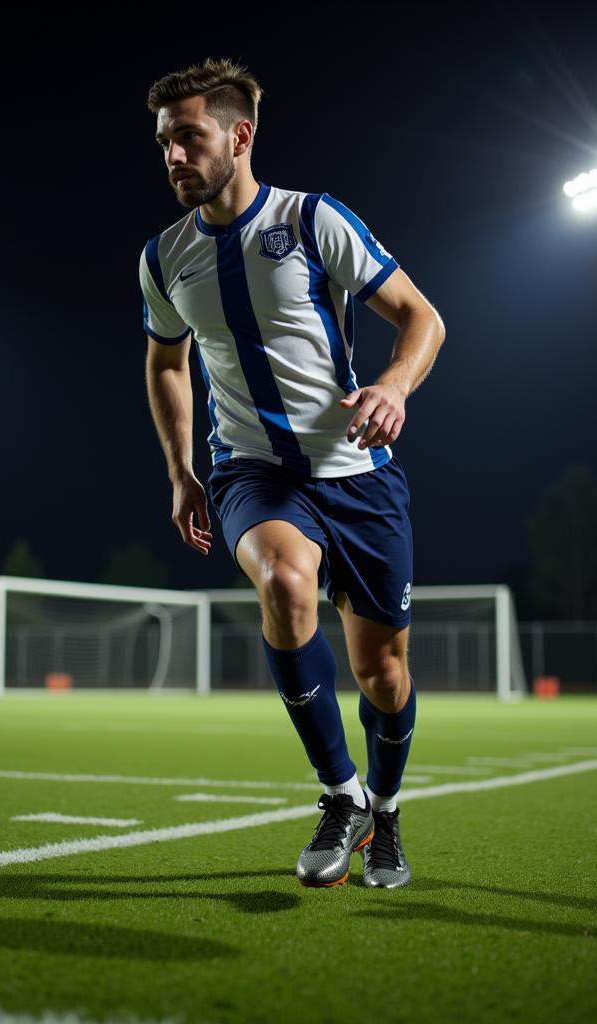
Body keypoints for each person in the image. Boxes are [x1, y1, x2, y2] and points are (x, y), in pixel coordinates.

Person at [139, 57, 445, 888]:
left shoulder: (313, 221)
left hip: (359, 476)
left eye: (189, 138)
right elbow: (166, 364)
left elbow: (423, 317)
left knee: (383, 674)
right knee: (282, 578)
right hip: (252, 475)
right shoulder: (165, 258)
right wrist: (180, 470)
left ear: (240, 137)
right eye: (165, 142)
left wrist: (391, 383)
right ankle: (340, 796)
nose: (173, 156)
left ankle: (384, 816)